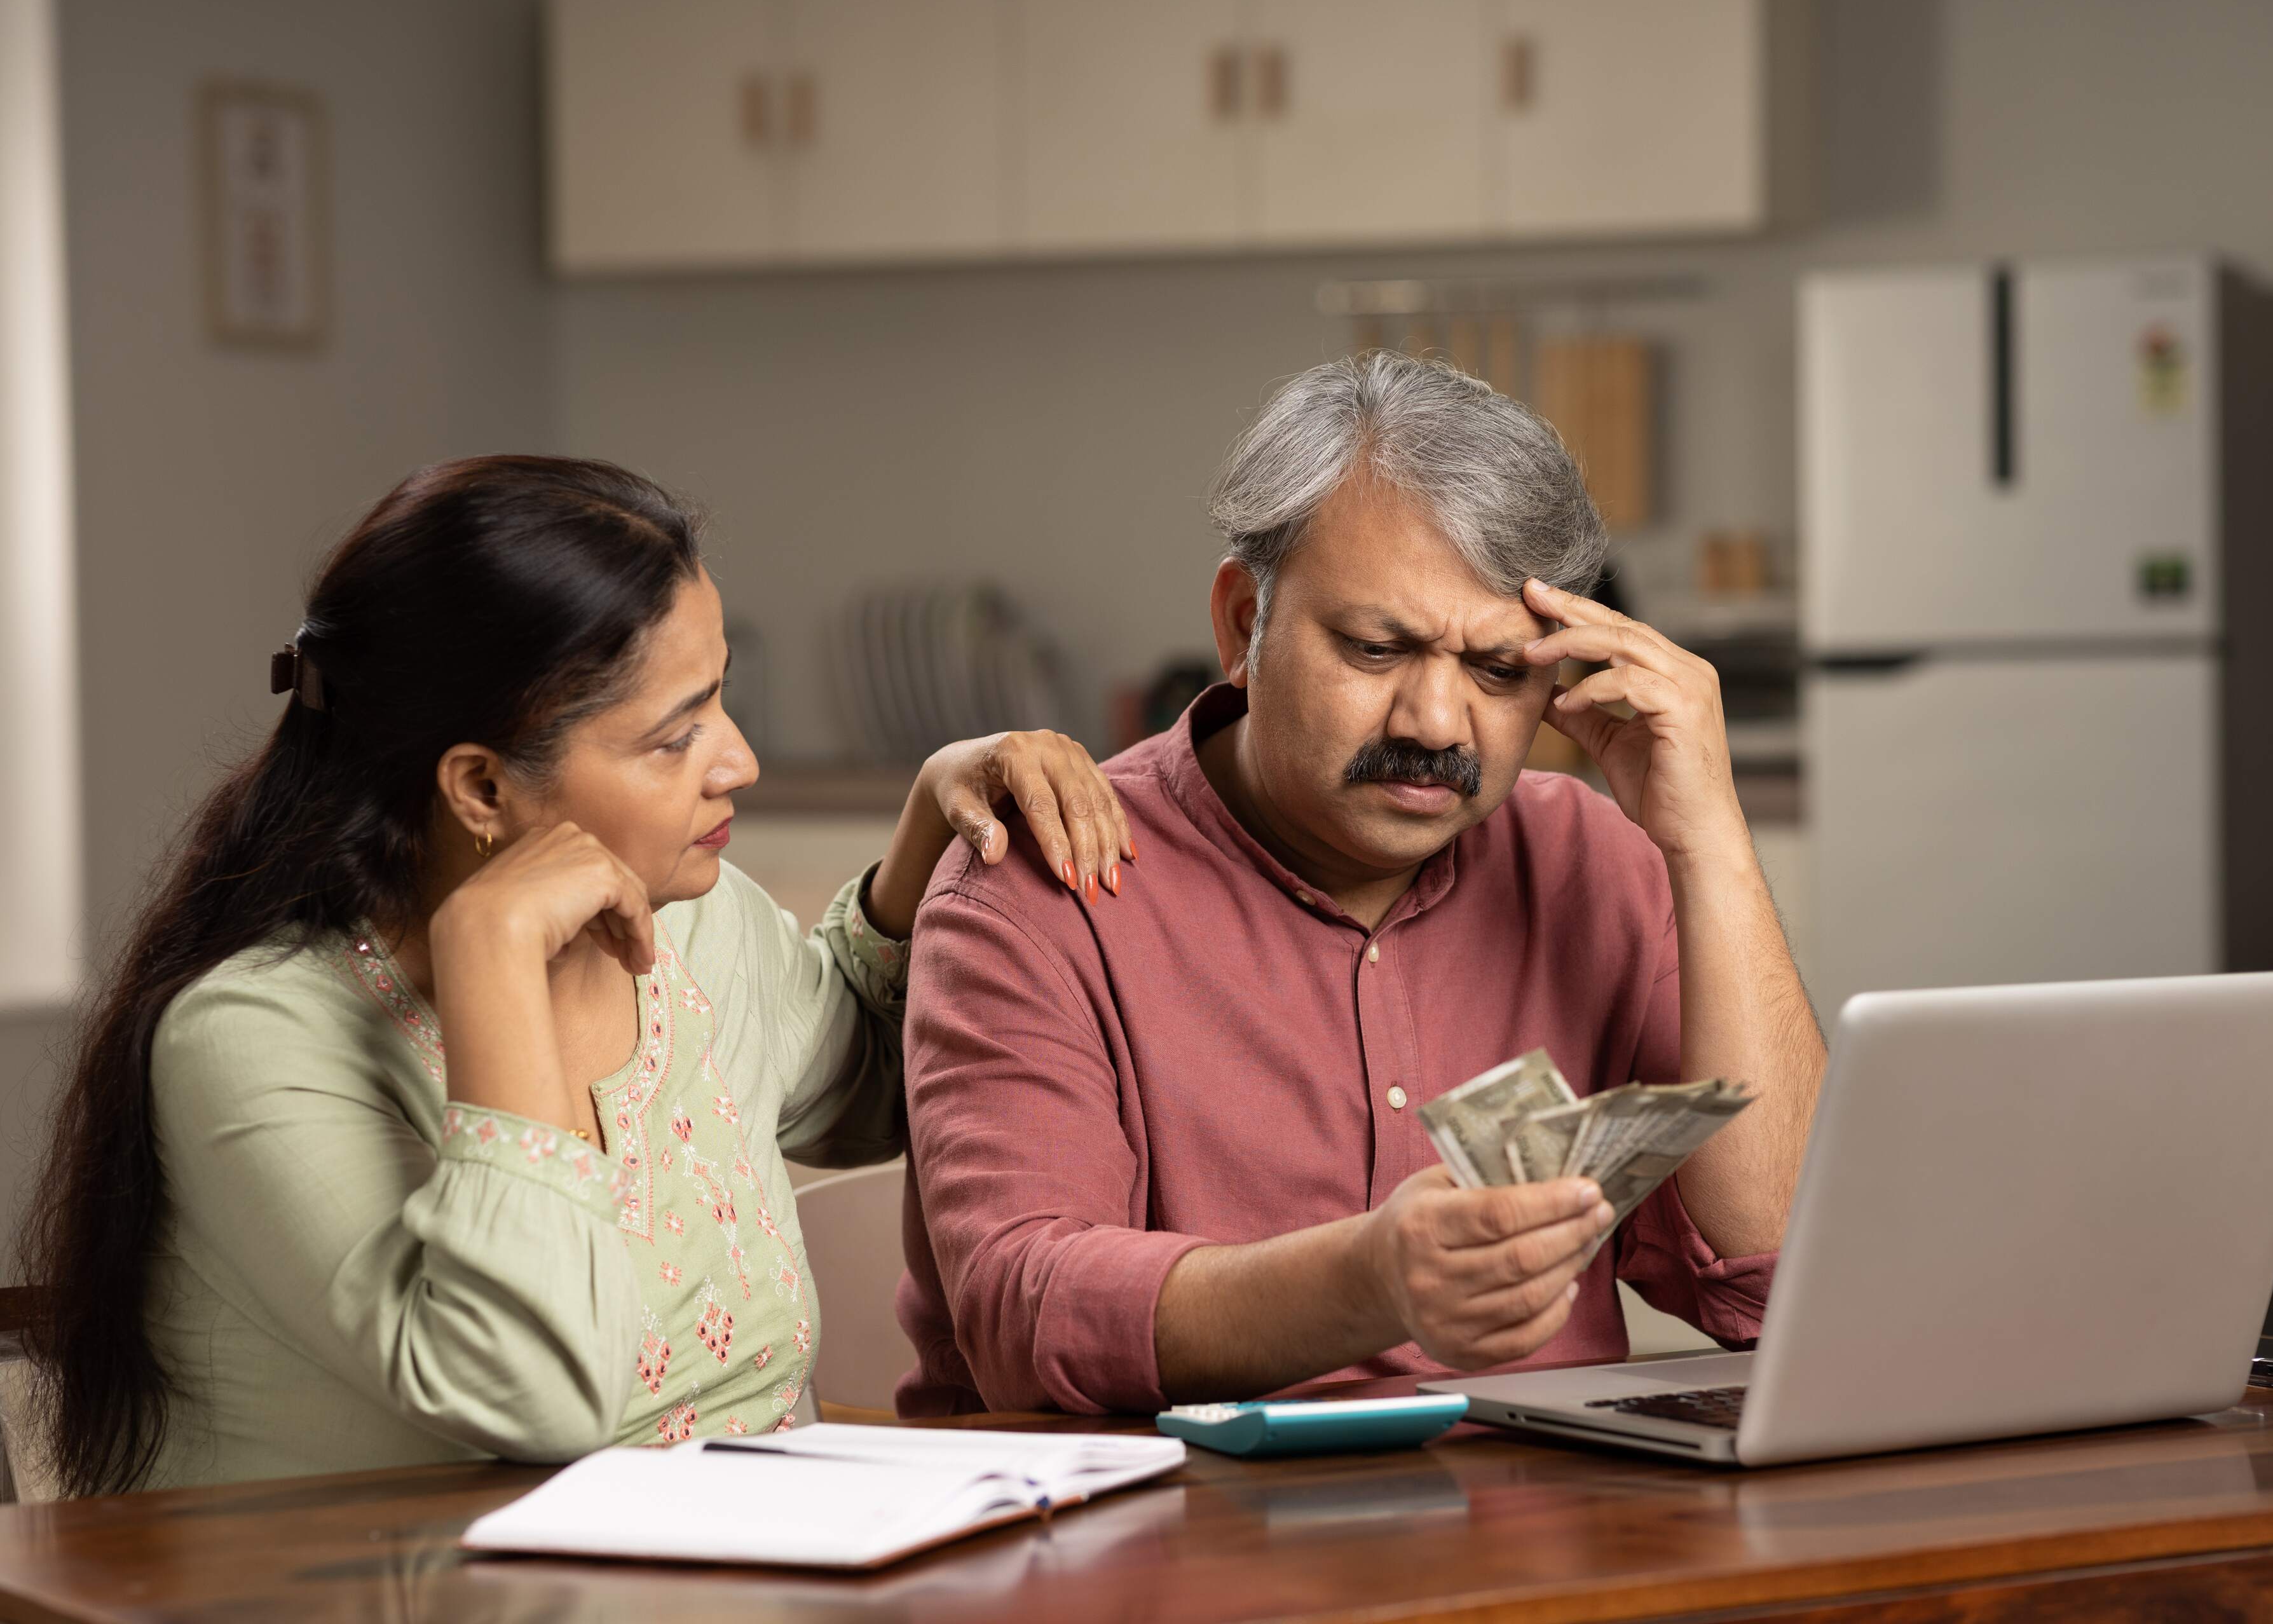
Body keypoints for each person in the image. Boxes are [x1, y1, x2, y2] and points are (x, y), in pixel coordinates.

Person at [19, 456, 1136, 1494]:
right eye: (673, 736)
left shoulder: (690, 924)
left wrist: (926, 820)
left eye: (720, 698)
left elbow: (868, 1092)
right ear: (482, 790)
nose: (737, 760)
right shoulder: (253, 1038)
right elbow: (538, 1402)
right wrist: (496, 958)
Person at [898, 352, 1825, 1416]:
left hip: (1547, 1538)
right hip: (1169, 1544)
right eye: (1379, 648)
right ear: (1242, 621)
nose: (1436, 724)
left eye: (1499, 672)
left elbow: (1773, 1287)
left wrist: (1710, 842)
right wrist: (1371, 1282)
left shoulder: (1599, 867)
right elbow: (1027, 1317)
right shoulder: (1041, 879)